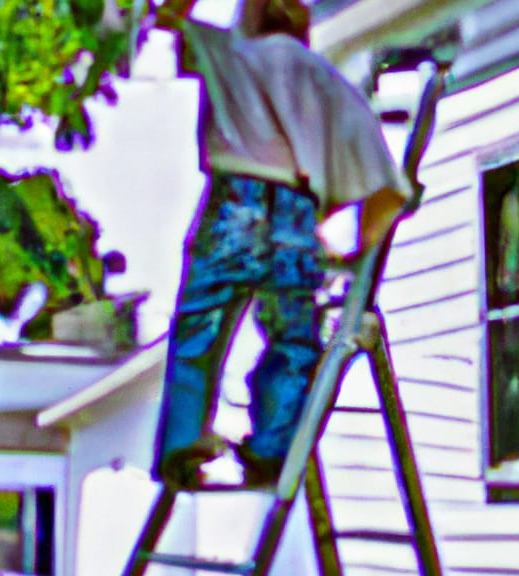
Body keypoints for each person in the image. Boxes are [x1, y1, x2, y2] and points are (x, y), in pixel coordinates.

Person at [151, 0, 413, 490]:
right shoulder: (320, 77)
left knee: (199, 334)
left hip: (233, 203)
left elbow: (164, 20)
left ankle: (183, 446)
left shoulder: (228, 50)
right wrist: (361, 252)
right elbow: (384, 183)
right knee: (292, 341)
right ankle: (270, 450)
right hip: (293, 215)